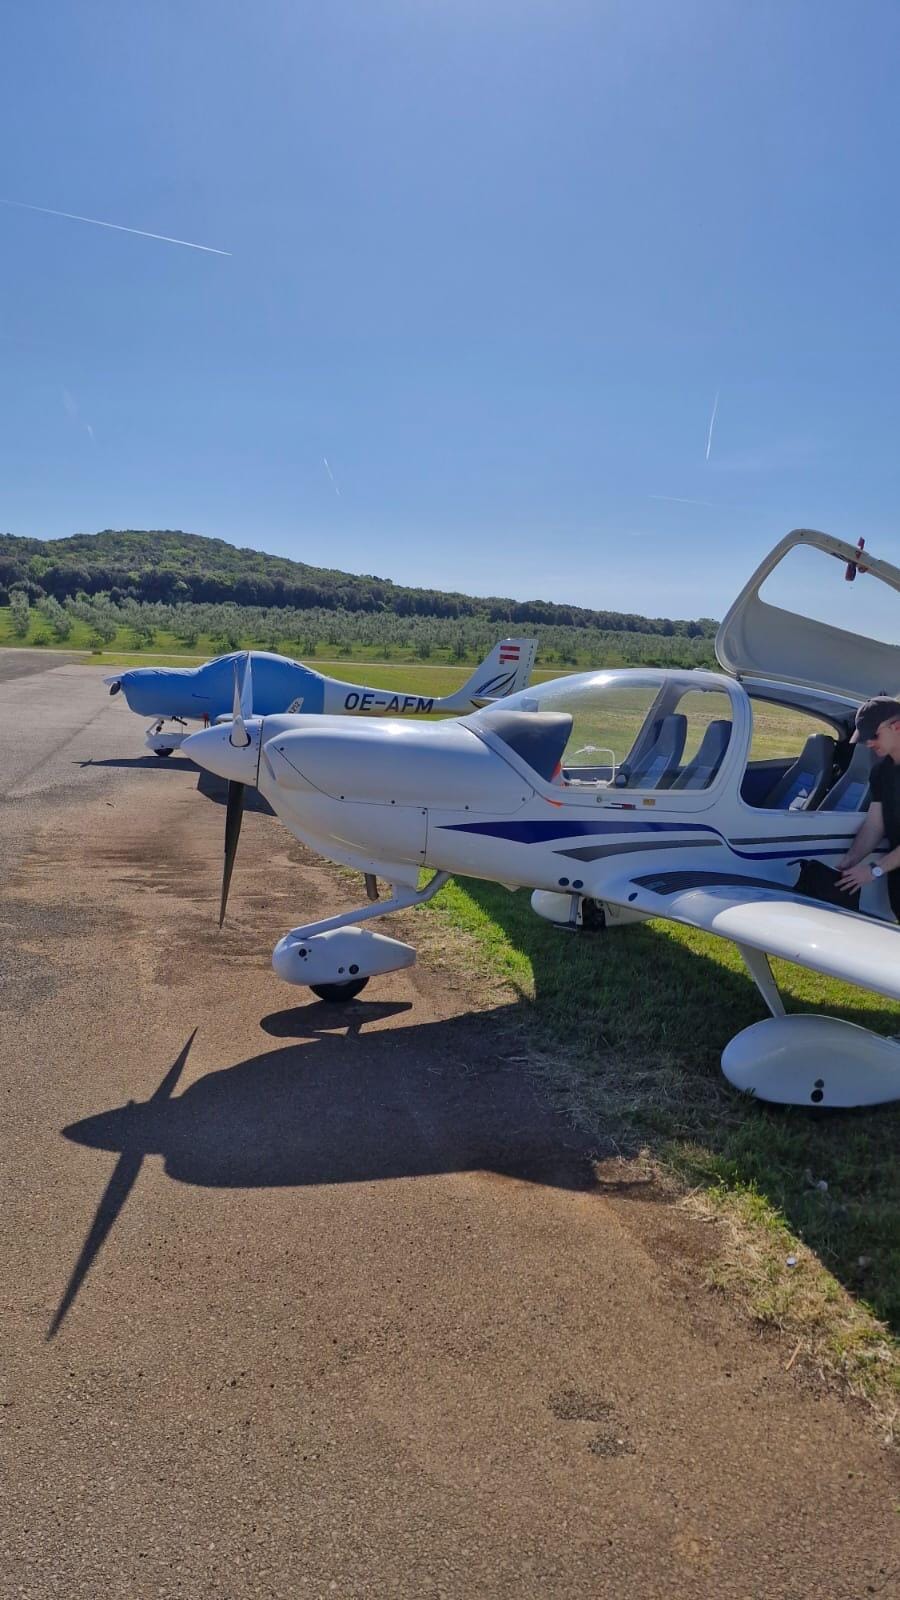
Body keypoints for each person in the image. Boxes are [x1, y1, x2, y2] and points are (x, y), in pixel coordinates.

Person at [836, 695, 900, 921]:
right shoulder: (881, 772)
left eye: (874, 735)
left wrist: (875, 869)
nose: (869, 743)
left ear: (897, 726)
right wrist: (849, 861)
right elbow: (875, 824)